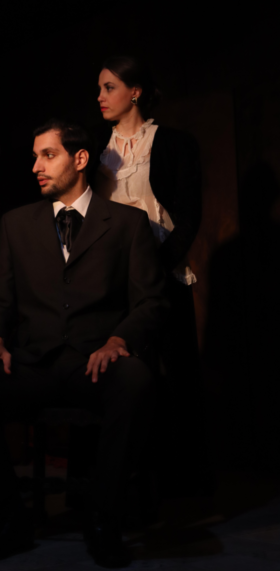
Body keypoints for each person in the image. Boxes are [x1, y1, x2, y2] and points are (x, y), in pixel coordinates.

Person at [0, 118, 168, 569]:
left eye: (48, 155)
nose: (36, 167)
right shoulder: (16, 224)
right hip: (34, 364)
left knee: (136, 379)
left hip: (94, 364)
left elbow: (152, 301)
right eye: (34, 157)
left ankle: (102, 520)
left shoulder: (127, 224)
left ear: (79, 159)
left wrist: (118, 339)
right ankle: (9, 518)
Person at [93, 55, 213, 511]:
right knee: (121, 379)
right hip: (112, 282)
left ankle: (178, 486)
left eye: (109, 87)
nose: (100, 97)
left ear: (136, 91)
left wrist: (155, 269)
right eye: (100, 88)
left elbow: (187, 217)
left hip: (161, 274)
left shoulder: (174, 143)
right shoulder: (95, 150)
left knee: (171, 376)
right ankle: (121, 482)